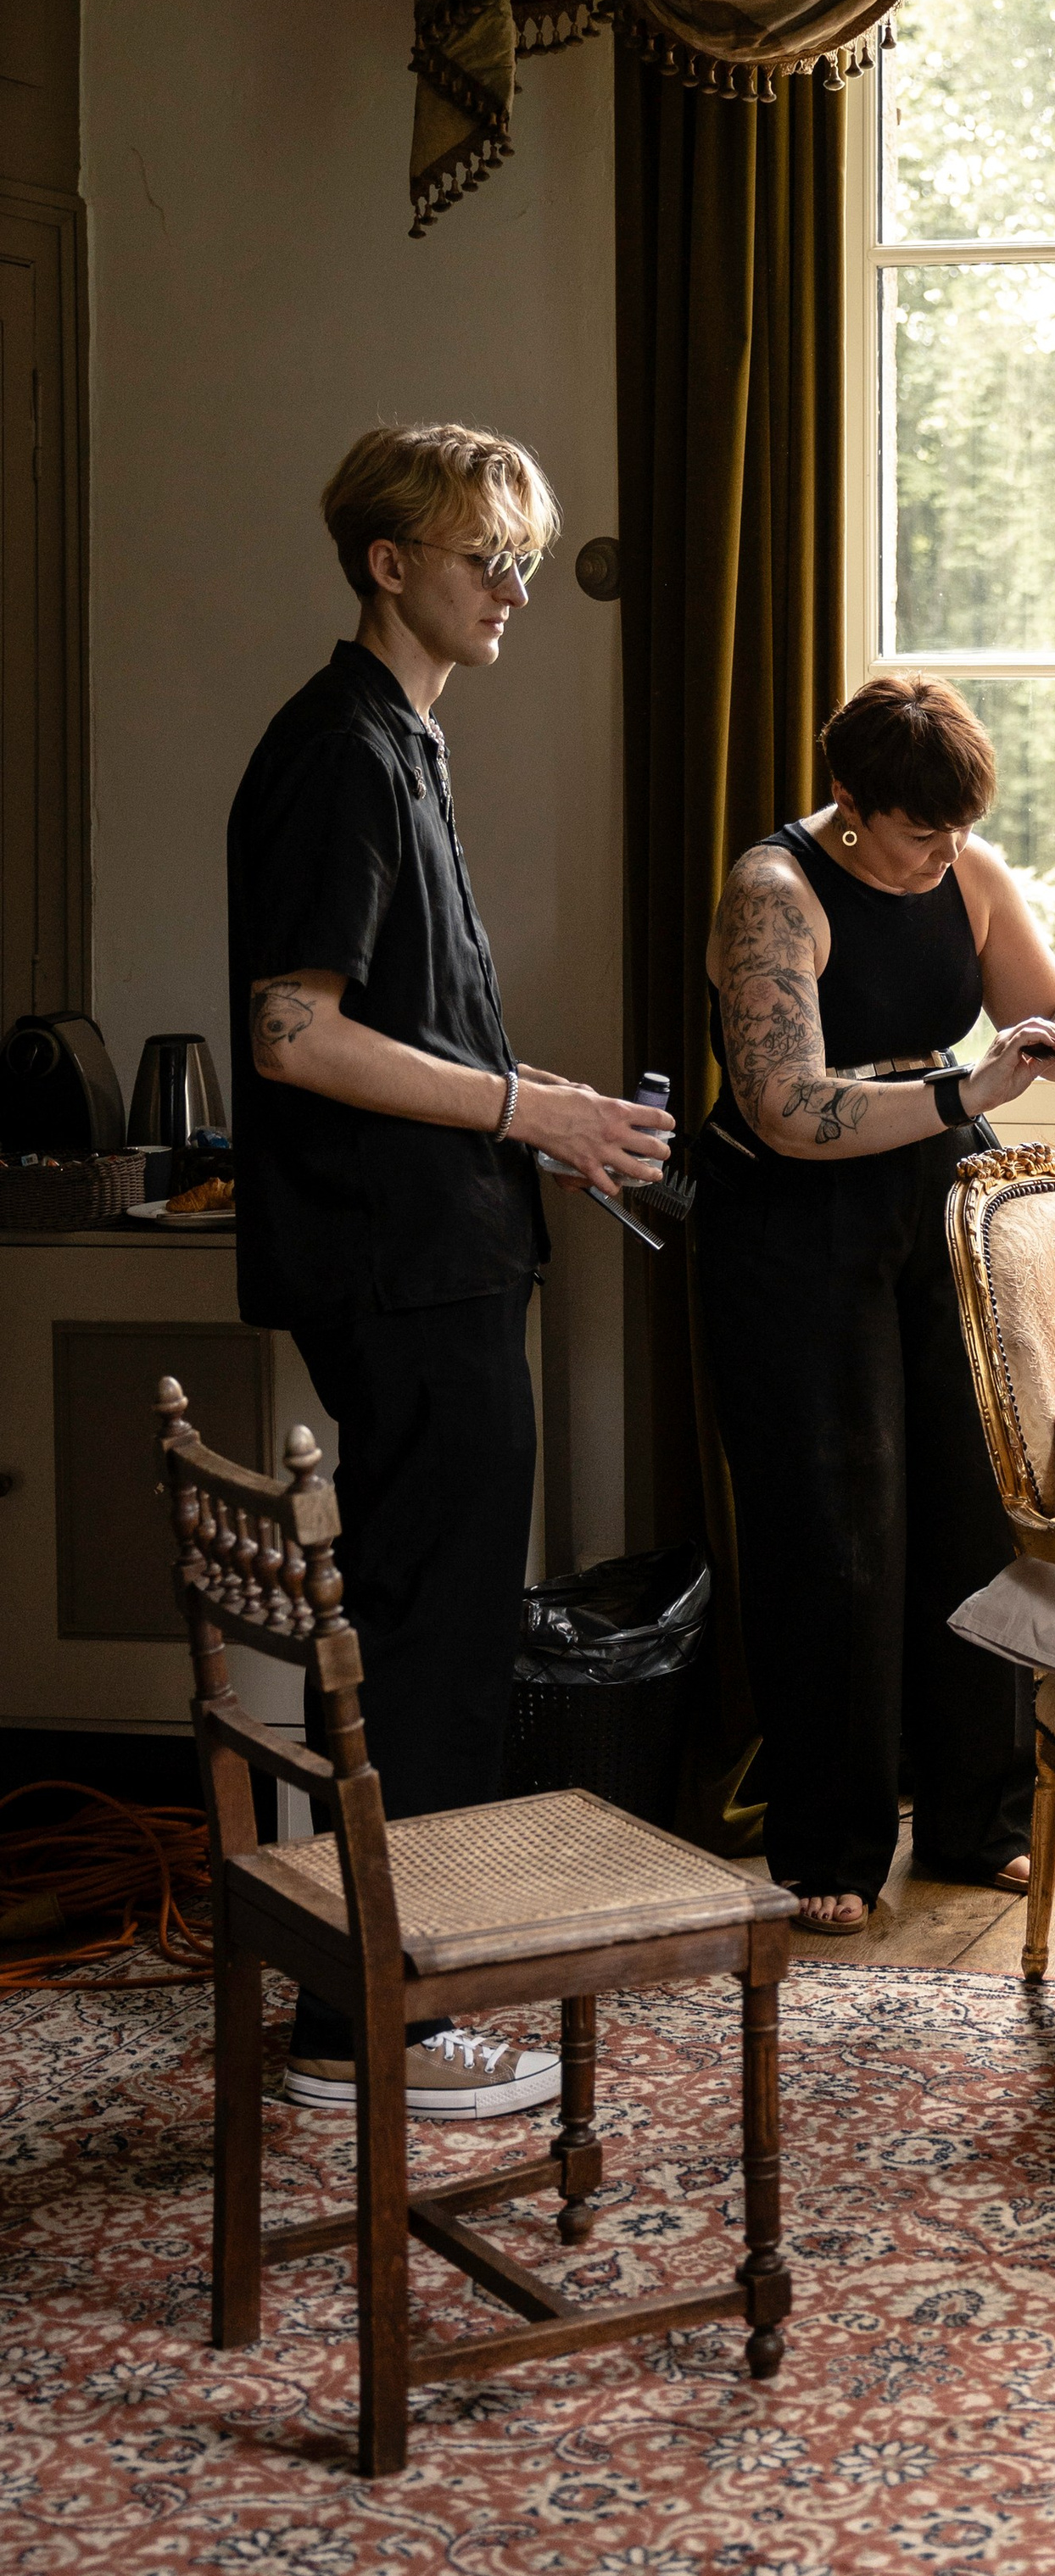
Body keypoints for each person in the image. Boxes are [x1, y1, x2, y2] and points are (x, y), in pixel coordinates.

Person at [227, 421, 673, 2117]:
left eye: (523, 561)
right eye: (481, 555)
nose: (510, 588)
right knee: (435, 1642)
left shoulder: (398, 745)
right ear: (385, 562)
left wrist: (543, 1130)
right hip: (403, 1274)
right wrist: (533, 1107)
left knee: (438, 1626)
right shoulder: (339, 752)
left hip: (443, 1256)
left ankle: (380, 2006)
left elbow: (398, 1037)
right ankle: (372, 2032)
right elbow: (293, 1034)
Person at [697, 673, 1055, 1935]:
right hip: (790, 1216)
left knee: (967, 1504)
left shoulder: (968, 871)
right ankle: (827, 1843)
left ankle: (973, 1820)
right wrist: (966, 1096)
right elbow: (784, 1106)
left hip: (930, 1199)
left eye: (960, 833)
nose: (945, 857)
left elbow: (1042, 1034)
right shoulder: (771, 895)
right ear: (849, 802)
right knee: (833, 1527)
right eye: (921, 835)